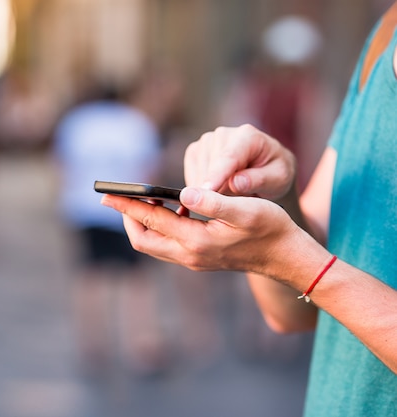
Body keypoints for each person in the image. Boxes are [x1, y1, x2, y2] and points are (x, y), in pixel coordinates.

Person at [101, 3, 397, 416]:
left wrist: (298, 263)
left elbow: (309, 271)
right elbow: (291, 311)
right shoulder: (383, 37)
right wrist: (275, 192)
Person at [53, 82, 166, 376]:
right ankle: (140, 345)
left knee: (90, 274)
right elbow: (149, 171)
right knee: (135, 277)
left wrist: (66, 205)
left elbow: (62, 167)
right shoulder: (136, 123)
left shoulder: (76, 122)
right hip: (126, 210)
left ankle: (93, 345)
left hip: (85, 208)